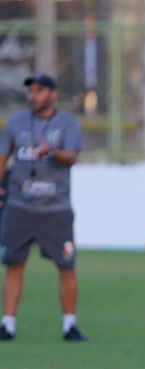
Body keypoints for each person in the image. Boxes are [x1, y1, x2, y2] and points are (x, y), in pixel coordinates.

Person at [0, 73, 86, 342]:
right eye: (31, 91)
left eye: (38, 91)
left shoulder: (67, 124)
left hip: (56, 210)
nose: (32, 96)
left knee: (66, 265)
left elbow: (72, 157)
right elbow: (2, 156)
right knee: (13, 264)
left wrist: (49, 152)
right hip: (19, 207)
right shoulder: (15, 123)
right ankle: (8, 324)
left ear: (53, 94)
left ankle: (69, 325)